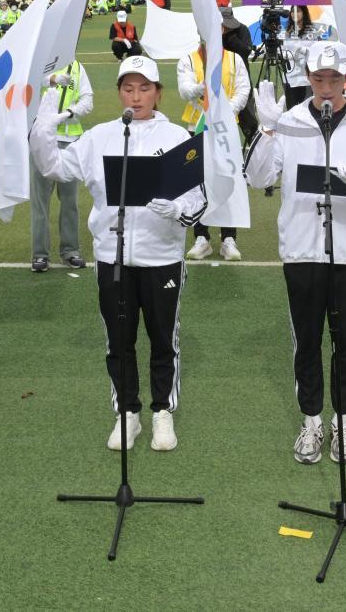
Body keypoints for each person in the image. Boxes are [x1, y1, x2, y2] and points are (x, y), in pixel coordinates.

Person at [29, 56, 205, 451]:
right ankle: (127, 412)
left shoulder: (178, 138)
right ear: (119, 92)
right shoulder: (102, 136)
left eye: (145, 88)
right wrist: (43, 126)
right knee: (118, 340)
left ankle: (162, 411)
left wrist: (178, 212)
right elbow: (54, 167)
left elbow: (198, 201)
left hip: (162, 258)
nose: (137, 96)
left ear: (159, 93)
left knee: (164, 340)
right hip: (113, 256)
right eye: (129, 88)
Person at [246, 43, 346, 464]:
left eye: (334, 79)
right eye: (318, 79)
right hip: (301, 249)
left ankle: (343, 422)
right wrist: (266, 131)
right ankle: (311, 421)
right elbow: (258, 177)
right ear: (307, 78)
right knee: (306, 341)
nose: (326, 88)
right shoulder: (290, 121)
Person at [178, 40, 250, 260]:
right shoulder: (189, 59)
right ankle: (202, 238)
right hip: (197, 128)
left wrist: (226, 110)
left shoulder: (234, 59)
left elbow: (243, 89)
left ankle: (228, 238)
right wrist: (199, 89)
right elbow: (184, 89)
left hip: (225, 128)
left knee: (229, 179)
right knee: (198, 183)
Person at [31, 59, 93, 273]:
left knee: (70, 201)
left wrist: (68, 113)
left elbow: (88, 100)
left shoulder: (77, 67)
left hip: (71, 140)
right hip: (42, 139)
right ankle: (40, 254)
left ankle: (71, 250)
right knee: (40, 200)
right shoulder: (41, 58)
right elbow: (31, 82)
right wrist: (53, 78)